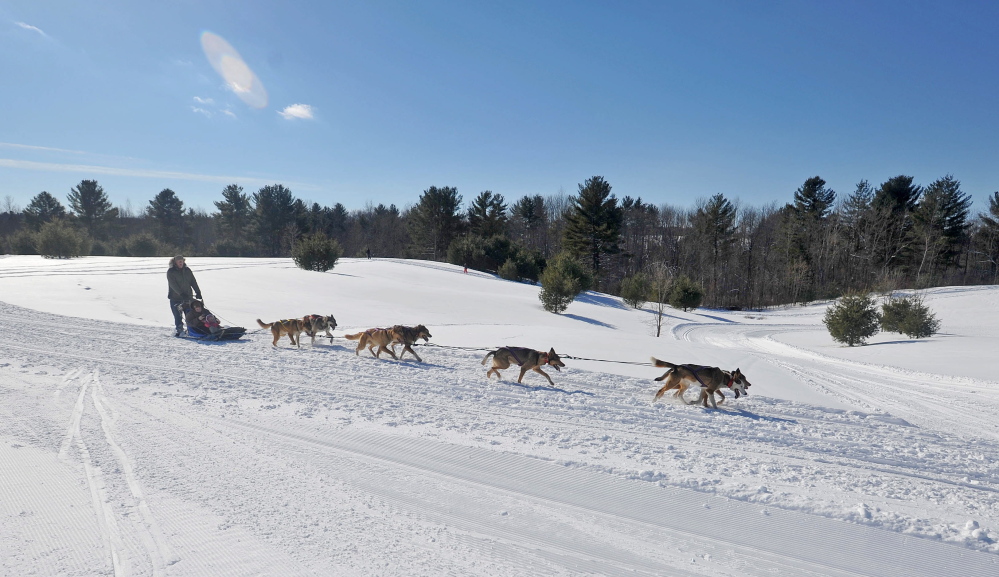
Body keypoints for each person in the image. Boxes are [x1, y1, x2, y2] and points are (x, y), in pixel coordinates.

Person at [167, 255, 202, 337]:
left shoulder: (187, 270)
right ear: (175, 262)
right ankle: (179, 330)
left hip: (188, 297)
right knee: (178, 316)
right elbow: (173, 285)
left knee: (190, 316)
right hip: (175, 298)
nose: (181, 262)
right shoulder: (171, 272)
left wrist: (198, 292)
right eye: (179, 261)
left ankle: (192, 331)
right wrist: (181, 293)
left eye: (182, 261)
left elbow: (193, 281)